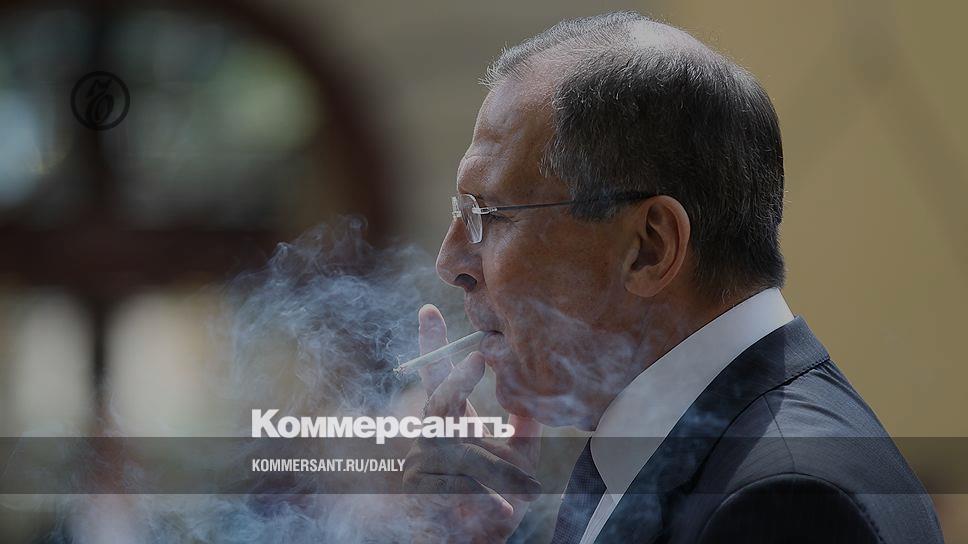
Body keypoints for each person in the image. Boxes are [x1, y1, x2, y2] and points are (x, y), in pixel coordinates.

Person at [402, 11, 943, 543]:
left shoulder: (783, 502)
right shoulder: (674, 449)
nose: (450, 262)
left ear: (649, 247)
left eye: (489, 214)